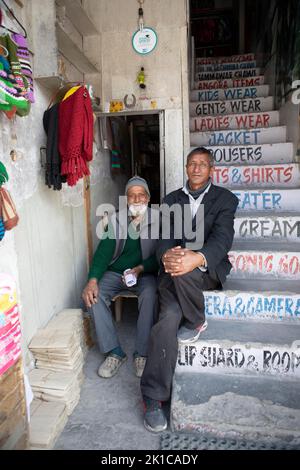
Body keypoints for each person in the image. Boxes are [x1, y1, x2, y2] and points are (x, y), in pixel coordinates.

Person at [140, 147, 239, 432]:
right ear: (186, 167)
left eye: (202, 164)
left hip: (206, 271)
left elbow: (223, 239)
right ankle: (154, 397)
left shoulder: (225, 199)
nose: (196, 168)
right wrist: (168, 256)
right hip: (173, 273)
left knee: (188, 265)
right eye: (192, 164)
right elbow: (163, 238)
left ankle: (195, 319)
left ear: (211, 170)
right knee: (168, 318)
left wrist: (198, 257)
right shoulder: (171, 200)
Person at [82, 176, 159, 379]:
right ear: (127, 200)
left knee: (151, 293)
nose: (136, 199)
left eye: (141, 195)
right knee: (93, 296)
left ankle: (141, 353)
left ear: (148, 198)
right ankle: (114, 352)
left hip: (143, 274)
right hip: (116, 273)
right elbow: (103, 253)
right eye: (132, 196)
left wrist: (141, 268)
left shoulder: (159, 220)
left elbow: (161, 257)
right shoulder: (117, 220)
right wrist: (92, 280)